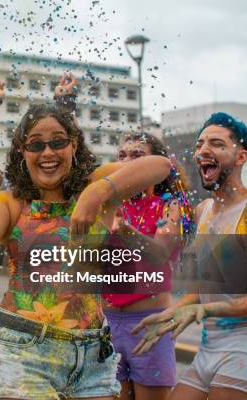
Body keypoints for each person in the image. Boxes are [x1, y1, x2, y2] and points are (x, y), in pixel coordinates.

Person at [0, 86, 173, 398]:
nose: (48, 153)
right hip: (24, 352)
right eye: (36, 144)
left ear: (74, 145)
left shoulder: (97, 186)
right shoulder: (10, 201)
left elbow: (161, 166)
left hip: (93, 353)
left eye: (58, 142)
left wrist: (98, 193)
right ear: (23, 152)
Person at [133, 112, 247, 400]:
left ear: (241, 156)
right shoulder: (202, 211)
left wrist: (206, 310)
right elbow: (202, 288)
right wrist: (174, 311)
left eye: (217, 144)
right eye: (199, 144)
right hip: (208, 349)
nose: (203, 150)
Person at [101, 132, 195, 400]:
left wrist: (125, 229)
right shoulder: (108, 204)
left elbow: (159, 254)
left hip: (150, 324)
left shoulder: (171, 206)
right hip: (107, 324)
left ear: (157, 165)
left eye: (137, 155)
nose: (127, 162)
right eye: (122, 155)